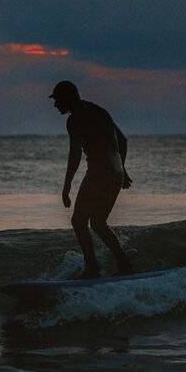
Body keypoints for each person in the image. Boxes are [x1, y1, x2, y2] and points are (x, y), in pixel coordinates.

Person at [50, 80, 133, 278]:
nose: (55, 105)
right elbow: (122, 140)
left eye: (57, 100)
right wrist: (122, 169)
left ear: (68, 98)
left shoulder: (74, 119)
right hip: (114, 172)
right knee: (97, 223)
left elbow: (75, 153)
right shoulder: (98, 110)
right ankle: (124, 265)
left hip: (99, 173)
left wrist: (66, 186)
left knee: (79, 221)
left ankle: (93, 269)